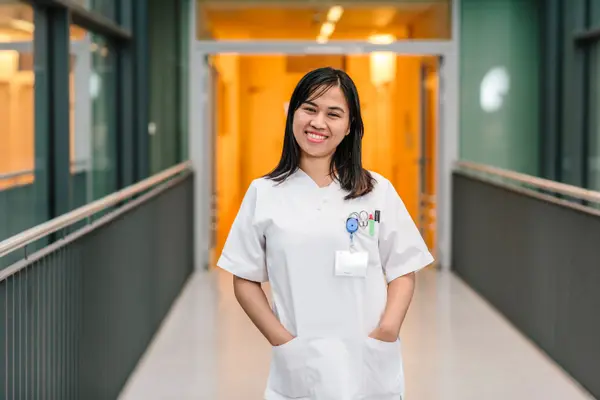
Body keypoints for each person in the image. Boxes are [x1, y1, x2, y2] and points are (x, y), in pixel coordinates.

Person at [217, 66, 434, 400]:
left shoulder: (377, 191)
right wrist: (281, 340)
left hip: (368, 360)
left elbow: (403, 268)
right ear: (293, 115)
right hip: (300, 362)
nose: (318, 123)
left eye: (334, 114)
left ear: (349, 128)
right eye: (309, 109)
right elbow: (244, 277)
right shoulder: (264, 193)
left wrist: (388, 330)